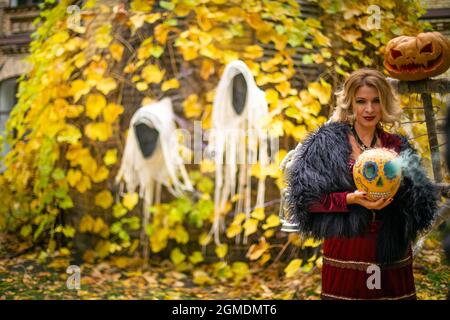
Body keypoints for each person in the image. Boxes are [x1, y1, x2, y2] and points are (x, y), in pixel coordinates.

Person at [285, 68, 438, 300]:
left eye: (376, 101)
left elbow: (422, 202)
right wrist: (349, 199)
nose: (369, 109)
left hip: (390, 247)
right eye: (361, 101)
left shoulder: (397, 146)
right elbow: (306, 200)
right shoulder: (327, 145)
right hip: (347, 244)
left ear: (384, 103)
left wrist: (396, 195)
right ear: (350, 104)